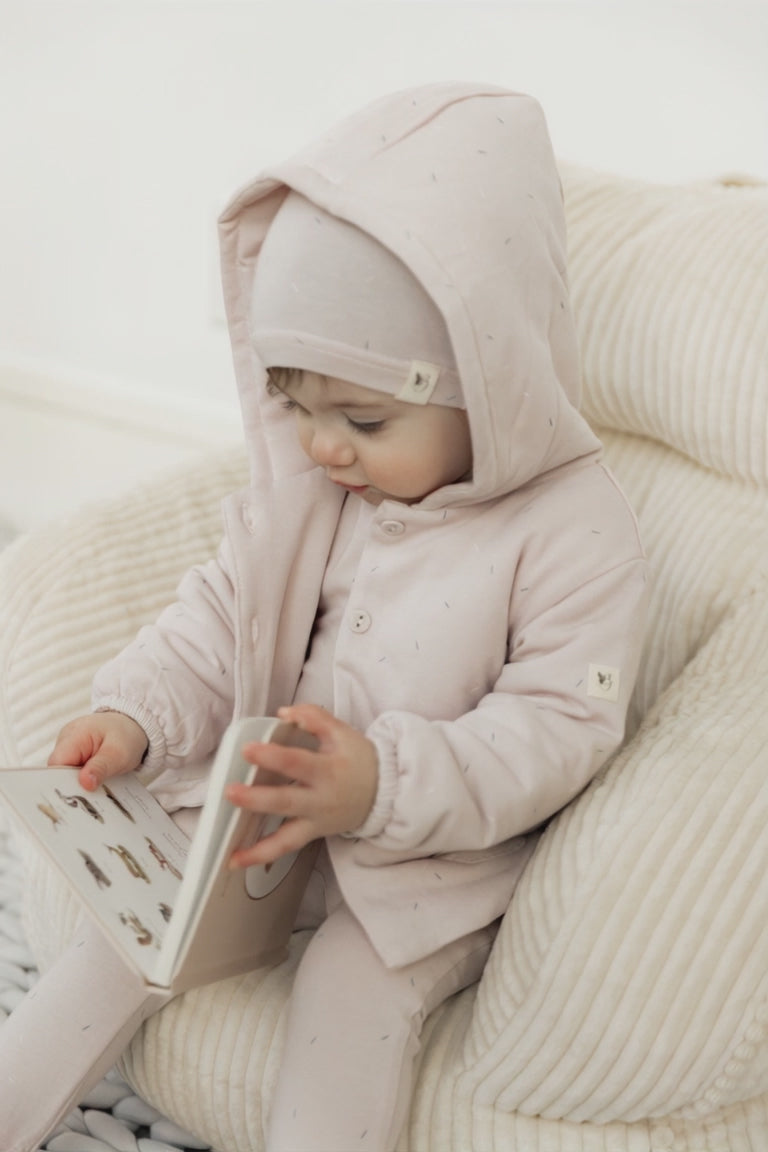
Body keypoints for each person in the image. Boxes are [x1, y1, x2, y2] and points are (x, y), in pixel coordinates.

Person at [0, 81, 648, 1152]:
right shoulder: (316, 491)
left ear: (491, 385)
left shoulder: (575, 532)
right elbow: (223, 615)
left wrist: (380, 784)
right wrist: (137, 716)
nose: (322, 446)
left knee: (352, 990)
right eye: (296, 405)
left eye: (364, 418)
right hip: (258, 813)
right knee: (130, 923)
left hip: (432, 862)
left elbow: (556, 727)